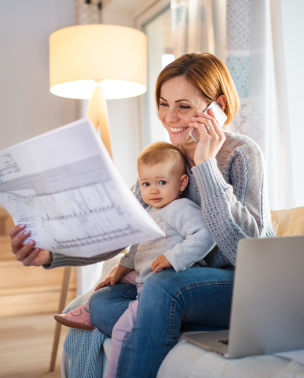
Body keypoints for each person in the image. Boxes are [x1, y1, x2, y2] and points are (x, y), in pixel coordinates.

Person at [9, 52, 275, 378]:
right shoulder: (165, 160)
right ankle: (164, 318)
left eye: (184, 106)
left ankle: (163, 314)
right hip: (182, 285)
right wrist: (50, 254)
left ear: (216, 106)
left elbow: (245, 251)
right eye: (163, 103)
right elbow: (121, 229)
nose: (169, 117)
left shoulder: (241, 154)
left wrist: (206, 166)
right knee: (102, 301)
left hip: (240, 285)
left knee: (161, 287)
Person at [54, 141, 215, 378]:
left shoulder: (181, 208)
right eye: (146, 184)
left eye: (162, 182)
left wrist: (173, 257)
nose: (154, 190)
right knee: (107, 286)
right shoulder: (148, 212)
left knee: (122, 330)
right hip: (144, 273)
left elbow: (205, 235)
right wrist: (123, 267)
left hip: (168, 278)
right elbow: (138, 246)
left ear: (182, 183)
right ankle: (89, 308)